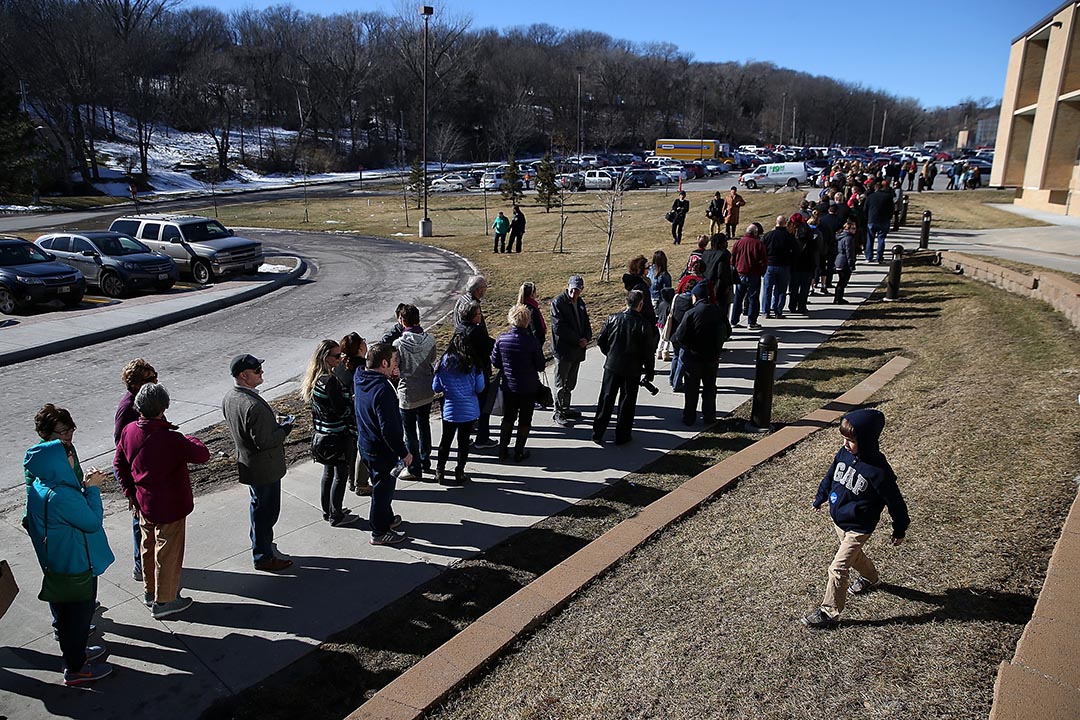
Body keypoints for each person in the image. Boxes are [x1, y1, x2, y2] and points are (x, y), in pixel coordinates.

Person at [802, 409, 910, 629]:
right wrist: (820, 497)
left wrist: (900, 529)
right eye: (843, 438)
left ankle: (829, 612)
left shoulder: (879, 472)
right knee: (855, 557)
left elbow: (896, 503)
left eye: (851, 440)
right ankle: (871, 578)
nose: (845, 444)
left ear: (868, 440)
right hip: (839, 521)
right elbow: (830, 476)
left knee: (838, 568)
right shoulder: (843, 454)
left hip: (859, 527)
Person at [115, 383, 209, 619]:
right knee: (167, 552)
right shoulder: (171, 439)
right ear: (163, 407)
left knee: (148, 547)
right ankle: (166, 600)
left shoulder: (129, 431)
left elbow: (119, 463)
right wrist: (190, 438)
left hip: (143, 502)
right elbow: (202, 454)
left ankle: (150, 591)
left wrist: (129, 492)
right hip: (171, 505)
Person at [25, 439, 115, 685]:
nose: (73, 460)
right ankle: (77, 670)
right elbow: (92, 522)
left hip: (58, 564)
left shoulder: (40, 487)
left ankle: (77, 655)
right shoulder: (62, 495)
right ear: (57, 463)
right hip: (77, 566)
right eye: (68, 456)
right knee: (78, 619)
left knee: (67, 618)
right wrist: (94, 489)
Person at [222, 354, 294, 572]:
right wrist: (285, 429)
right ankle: (263, 555)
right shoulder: (252, 405)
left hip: (249, 465)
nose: (262, 373)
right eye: (257, 371)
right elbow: (265, 441)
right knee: (267, 512)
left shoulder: (230, 397)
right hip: (265, 469)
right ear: (244, 375)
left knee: (258, 507)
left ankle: (260, 543)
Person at [354, 342, 412, 545]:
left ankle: (386, 518)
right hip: (382, 451)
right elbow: (389, 429)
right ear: (384, 362)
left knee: (381, 486)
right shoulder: (383, 390)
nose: (397, 365)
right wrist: (404, 453)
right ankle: (379, 532)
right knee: (382, 490)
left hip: (366, 444)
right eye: (395, 361)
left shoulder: (360, 376)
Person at [300, 339, 358, 526]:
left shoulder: (315, 380)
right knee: (340, 475)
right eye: (336, 356)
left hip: (322, 435)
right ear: (326, 358)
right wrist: (351, 401)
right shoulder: (331, 382)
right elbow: (341, 410)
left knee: (328, 474)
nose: (340, 359)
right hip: (337, 435)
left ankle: (329, 510)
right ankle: (337, 516)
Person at [591, 289, 658, 446]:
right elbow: (648, 353)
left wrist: (610, 353)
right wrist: (649, 372)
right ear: (640, 304)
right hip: (632, 370)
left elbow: (601, 340)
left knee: (606, 399)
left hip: (612, 366)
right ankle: (622, 435)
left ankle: (598, 432)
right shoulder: (643, 325)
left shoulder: (612, 319)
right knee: (626, 403)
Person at [113, 358, 158, 583]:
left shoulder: (145, 401)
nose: (156, 381)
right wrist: (130, 489)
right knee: (139, 522)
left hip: (143, 471)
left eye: (155, 376)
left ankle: (149, 561)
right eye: (150, 379)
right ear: (136, 383)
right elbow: (121, 450)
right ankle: (141, 566)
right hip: (134, 474)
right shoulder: (129, 408)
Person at [492, 304, 546, 461]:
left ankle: (502, 449)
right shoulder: (532, 342)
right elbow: (541, 365)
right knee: (525, 419)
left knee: (508, 418)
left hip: (509, 386)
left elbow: (495, 361)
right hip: (529, 388)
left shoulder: (502, 340)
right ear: (527, 321)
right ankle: (519, 451)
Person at [432, 334, 486, 485]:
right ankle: (460, 471)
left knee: (445, 441)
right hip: (469, 410)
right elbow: (480, 387)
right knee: (463, 443)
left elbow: (435, 387)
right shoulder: (473, 364)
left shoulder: (443, 363)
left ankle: (440, 470)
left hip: (450, 409)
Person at [393, 304, 437, 481]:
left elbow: (397, 367)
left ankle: (413, 467)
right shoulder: (430, 339)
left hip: (408, 393)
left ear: (402, 321)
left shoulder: (398, 344)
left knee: (409, 432)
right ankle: (425, 460)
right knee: (424, 425)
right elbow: (432, 359)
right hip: (426, 389)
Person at [673, 283, 723, 425]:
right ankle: (709, 416)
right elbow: (727, 330)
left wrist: (688, 345)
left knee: (691, 389)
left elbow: (680, 335)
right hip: (712, 357)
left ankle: (689, 417)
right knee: (710, 388)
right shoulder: (717, 310)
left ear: (695, 296)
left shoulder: (691, 313)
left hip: (693, 358)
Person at [550, 275, 592, 427]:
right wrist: (577, 340)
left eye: (578, 290)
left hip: (577, 351)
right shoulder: (558, 303)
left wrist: (587, 337)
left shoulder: (580, 303)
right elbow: (558, 327)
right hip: (564, 350)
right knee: (560, 383)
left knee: (571, 383)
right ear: (567, 286)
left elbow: (586, 322)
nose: (575, 293)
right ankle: (558, 412)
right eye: (573, 289)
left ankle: (566, 407)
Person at [334, 332, 371, 496]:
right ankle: (361, 483)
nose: (365, 343)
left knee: (352, 448)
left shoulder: (340, 366)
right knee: (363, 448)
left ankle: (351, 479)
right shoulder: (363, 367)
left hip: (345, 415)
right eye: (363, 341)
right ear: (360, 347)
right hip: (359, 414)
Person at [457, 300, 497, 448]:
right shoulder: (476, 331)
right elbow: (489, 346)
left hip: (464, 373)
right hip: (479, 372)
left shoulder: (459, 329)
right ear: (474, 316)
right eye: (479, 314)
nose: (481, 316)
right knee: (483, 407)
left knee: (466, 408)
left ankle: (465, 438)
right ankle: (482, 438)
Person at [730, 223, 767, 330]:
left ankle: (734, 320)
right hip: (753, 275)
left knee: (738, 298)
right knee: (753, 299)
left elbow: (732, 258)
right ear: (755, 233)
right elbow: (764, 261)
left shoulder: (738, 243)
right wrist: (762, 272)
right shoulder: (758, 244)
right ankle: (751, 322)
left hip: (740, 274)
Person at [761, 215, 796, 320]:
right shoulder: (789, 237)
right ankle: (778, 311)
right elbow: (794, 252)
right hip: (784, 266)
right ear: (785, 223)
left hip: (770, 265)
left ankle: (766, 311)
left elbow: (762, 250)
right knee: (781, 290)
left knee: (767, 289)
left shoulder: (768, 236)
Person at [787, 213, 816, 315]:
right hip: (807, 265)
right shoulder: (809, 235)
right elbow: (814, 252)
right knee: (804, 288)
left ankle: (792, 306)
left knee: (793, 288)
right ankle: (802, 306)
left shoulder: (792, 236)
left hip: (794, 265)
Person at [623, 255, 658, 328]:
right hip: (642, 323)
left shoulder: (632, 283)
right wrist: (652, 322)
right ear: (641, 269)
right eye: (647, 268)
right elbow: (646, 307)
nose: (649, 269)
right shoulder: (642, 286)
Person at [864, 181, 895, 264]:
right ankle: (879, 258)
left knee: (870, 239)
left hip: (872, 220)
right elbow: (892, 210)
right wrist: (889, 217)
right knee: (881, 239)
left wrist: (867, 218)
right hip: (884, 220)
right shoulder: (888, 197)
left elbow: (865, 209)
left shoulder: (870, 196)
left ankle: (868, 257)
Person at [833, 219, 858, 305]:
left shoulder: (841, 236)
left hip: (839, 260)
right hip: (844, 262)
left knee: (841, 281)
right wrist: (851, 264)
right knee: (843, 282)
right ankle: (839, 298)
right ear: (849, 229)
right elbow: (849, 252)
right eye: (853, 228)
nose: (855, 230)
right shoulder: (848, 238)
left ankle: (837, 297)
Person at [518, 281, 547, 346]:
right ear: (532, 294)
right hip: (533, 344)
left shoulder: (520, 307)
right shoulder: (532, 310)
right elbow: (535, 330)